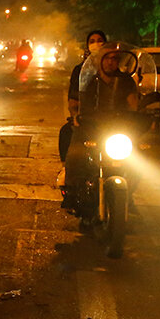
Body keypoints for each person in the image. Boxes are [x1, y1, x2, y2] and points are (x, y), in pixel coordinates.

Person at [61, 43, 140, 212]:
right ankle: (71, 191)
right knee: (75, 154)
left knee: (138, 158)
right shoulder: (88, 79)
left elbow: (134, 105)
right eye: (108, 57)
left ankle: (129, 195)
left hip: (117, 129)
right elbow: (74, 102)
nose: (112, 62)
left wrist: (141, 118)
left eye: (115, 58)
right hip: (90, 127)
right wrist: (76, 115)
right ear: (99, 60)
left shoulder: (126, 81)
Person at [60, 29, 108, 161]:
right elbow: (73, 100)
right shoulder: (80, 70)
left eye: (100, 41)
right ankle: (66, 170)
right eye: (92, 41)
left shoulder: (114, 69)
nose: (96, 44)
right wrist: (76, 117)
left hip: (111, 120)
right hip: (87, 121)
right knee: (66, 133)